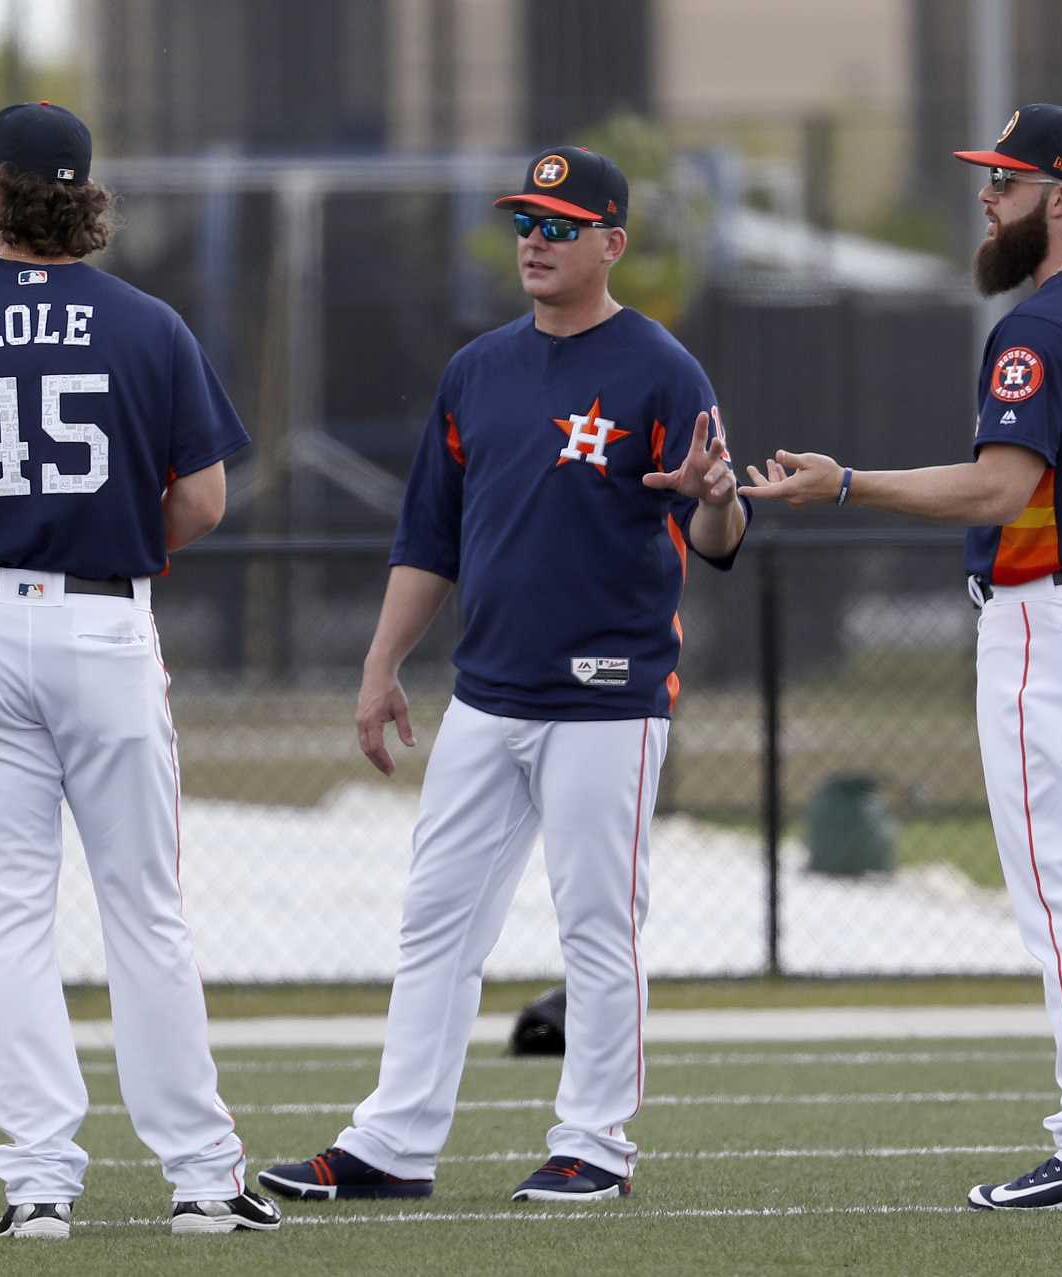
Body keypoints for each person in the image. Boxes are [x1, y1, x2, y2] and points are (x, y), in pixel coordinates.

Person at [259, 145, 750, 1206]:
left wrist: (713, 493)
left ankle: (594, 1143)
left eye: (560, 224)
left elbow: (717, 536)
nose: (534, 238)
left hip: (607, 693)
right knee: (435, 918)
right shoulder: (474, 370)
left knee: (594, 925)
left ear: (611, 243)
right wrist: (381, 663)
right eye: (526, 220)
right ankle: (392, 1141)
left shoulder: (661, 366)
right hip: (484, 692)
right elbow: (427, 538)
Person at [0, 101, 281, 1239]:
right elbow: (204, 497)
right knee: (144, 910)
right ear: (85, 192)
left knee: (8, 919)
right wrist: (106, 539)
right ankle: (199, 1175)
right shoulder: (147, 324)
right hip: (100, 624)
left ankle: (37, 1181)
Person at [740, 104, 1062, 1211]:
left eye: (1001, 179)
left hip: (1057, 624)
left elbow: (1000, 489)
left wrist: (846, 481)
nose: (983, 197)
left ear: (1056, 195)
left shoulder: (1041, 323)